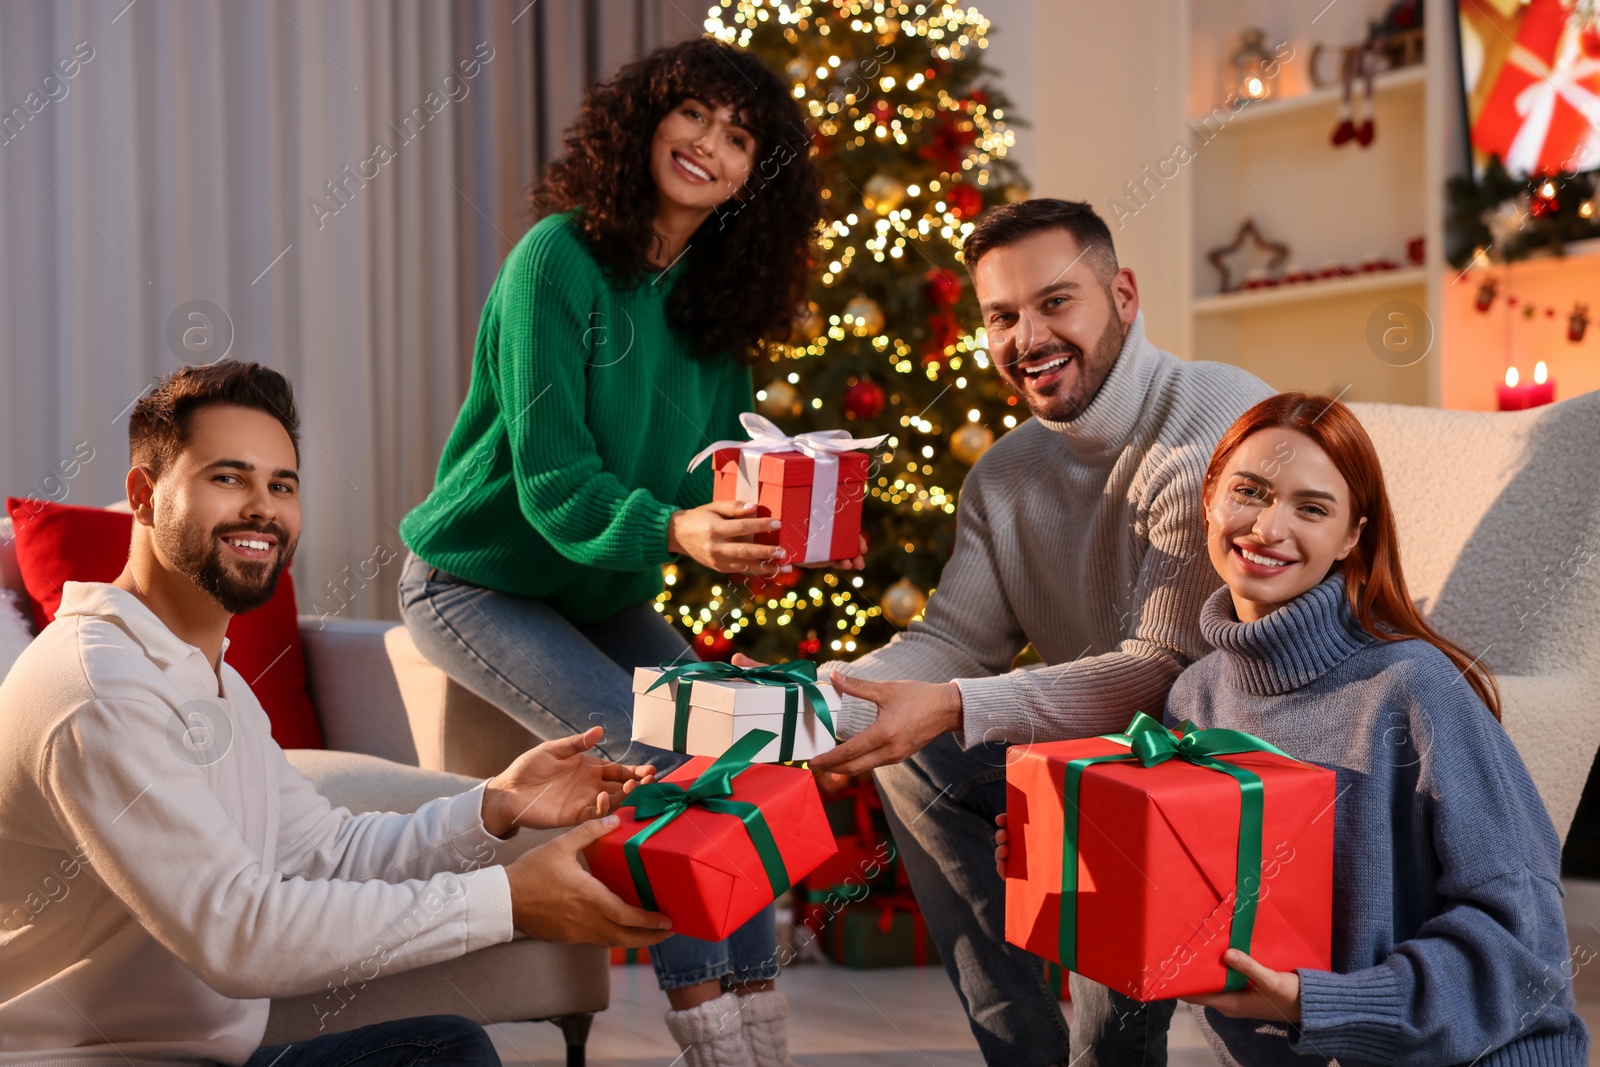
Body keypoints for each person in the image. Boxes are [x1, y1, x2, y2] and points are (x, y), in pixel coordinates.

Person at [0, 361, 673, 1066]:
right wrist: (506, 900)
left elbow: (327, 851)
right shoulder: (99, 688)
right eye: (228, 477)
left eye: (281, 485)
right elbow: (241, 935)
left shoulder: (210, 674)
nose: (262, 508)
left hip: (206, 1055)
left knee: (445, 1048)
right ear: (143, 495)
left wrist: (496, 802)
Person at [395, 38, 832, 1067]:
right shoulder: (555, 260)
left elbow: (704, 477)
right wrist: (676, 529)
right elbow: (552, 483)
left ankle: (760, 1017)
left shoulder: (712, 309)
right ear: (646, 118)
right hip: (476, 579)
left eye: (738, 139)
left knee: (734, 745)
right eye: (693, 115)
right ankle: (709, 1031)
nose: (707, 147)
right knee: (656, 761)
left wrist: (751, 533)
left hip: (598, 587)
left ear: (751, 180)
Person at [773, 197, 1272, 1065]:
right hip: (1110, 748)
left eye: (1055, 301)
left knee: (1105, 776)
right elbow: (953, 641)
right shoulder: (1005, 476)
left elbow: (1164, 673)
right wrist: (821, 699)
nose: (1026, 336)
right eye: (1001, 316)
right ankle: (1023, 1051)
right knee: (914, 754)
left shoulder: (1209, 428)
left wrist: (957, 701)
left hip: (1225, 756)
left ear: (1123, 294)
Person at [999, 393, 1591, 1065]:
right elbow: (1182, 914)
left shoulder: (1416, 688)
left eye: (1311, 508)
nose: (1269, 527)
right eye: (1249, 492)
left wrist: (1317, 1006)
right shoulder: (1196, 697)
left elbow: (1526, 946)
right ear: (1210, 501)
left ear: (1349, 537)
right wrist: (1067, 860)